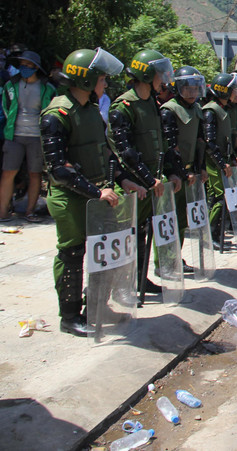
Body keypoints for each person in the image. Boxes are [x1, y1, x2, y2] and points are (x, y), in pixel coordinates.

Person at [40, 48, 146, 337]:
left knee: (109, 254)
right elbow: (58, 168)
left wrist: (124, 180)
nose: (105, 84)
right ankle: (70, 316)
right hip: (71, 197)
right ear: (86, 80)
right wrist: (95, 193)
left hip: (98, 196)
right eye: (101, 79)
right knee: (73, 255)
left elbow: (107, 154)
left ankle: (96, 304)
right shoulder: (57, 114)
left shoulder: (91, 111)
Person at [107, 50, 179, 293]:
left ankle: (139, 279)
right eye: (160, 74)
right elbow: (125, 152)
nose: (164, 79)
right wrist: (148, 180)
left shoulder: (152, 104)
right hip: (132, 184)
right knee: (126, 235)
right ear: (147, 75)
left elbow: (163, 143)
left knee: (142, 233)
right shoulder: (124, 106)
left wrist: (172, 172)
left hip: (151, 183)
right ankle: (119, 285)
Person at [0, 50, 55, 222]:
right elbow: (6, 107)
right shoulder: (11, 86)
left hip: (37, 137)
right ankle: (2, 212)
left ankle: (30, 212)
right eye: (22, 65)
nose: (24, 68)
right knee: (8, 173)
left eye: (28, 65)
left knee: (35, 173)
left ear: (36, 67)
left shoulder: (47, 88)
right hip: (14, 135)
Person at [161, 66, 207, 246]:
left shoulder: (196, 109)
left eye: (196, 88)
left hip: (190, 173)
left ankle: (177, 257)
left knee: (181, 219)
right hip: (173, 172)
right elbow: (171, 146)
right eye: (188, 87)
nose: (192, 92)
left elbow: (200, 141)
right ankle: (166, 260)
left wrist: (201, 168)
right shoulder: (169, 110)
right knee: (168, 218)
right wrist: (179, 172)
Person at [203, 73, 237, 244]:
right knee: (219, 198)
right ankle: (211, 234)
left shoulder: (224, 110)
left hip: (224, 159)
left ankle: (217, 234)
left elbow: (227, 139)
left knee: (222, 198)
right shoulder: (211, 111)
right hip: (214, 161)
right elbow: (209, 143)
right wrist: (222, 164)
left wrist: (233, 158)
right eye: (233, 90)